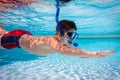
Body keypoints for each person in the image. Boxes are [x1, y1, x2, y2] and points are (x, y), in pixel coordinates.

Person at [0, 20, 114, 58]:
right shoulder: (51, 41)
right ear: (59, 32)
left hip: (25, 35)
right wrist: (93, 54)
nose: (72, 38)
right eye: (70, 34)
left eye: (74, 35)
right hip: (14, 39)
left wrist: (96, 56)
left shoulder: (64, 42)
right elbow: (62, 51)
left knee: (2, 31)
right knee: (2, 36)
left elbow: (77, 54)